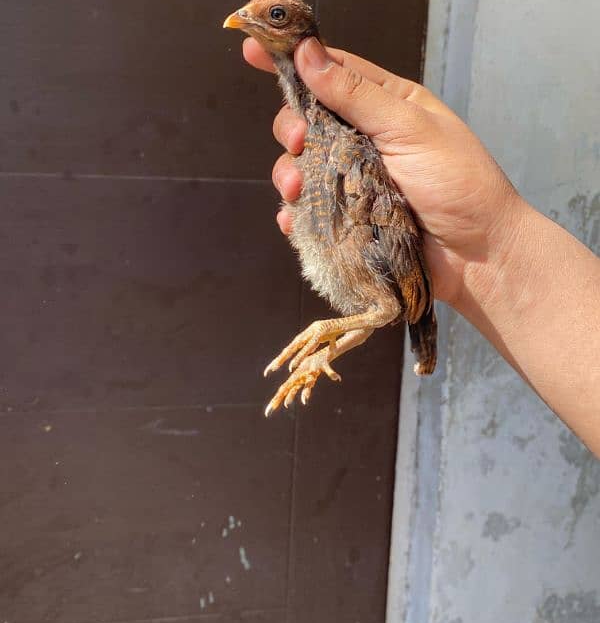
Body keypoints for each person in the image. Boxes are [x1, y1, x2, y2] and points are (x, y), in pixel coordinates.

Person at [243, 36, 600, 458]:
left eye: (277, 19)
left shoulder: (351, 149)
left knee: (380, 298)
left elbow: (390, 300)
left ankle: (326, 341)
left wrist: (327, 330)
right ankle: (325, 351)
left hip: (391, 270)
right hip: (378, 260)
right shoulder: (321, 133)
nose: (245, 22)